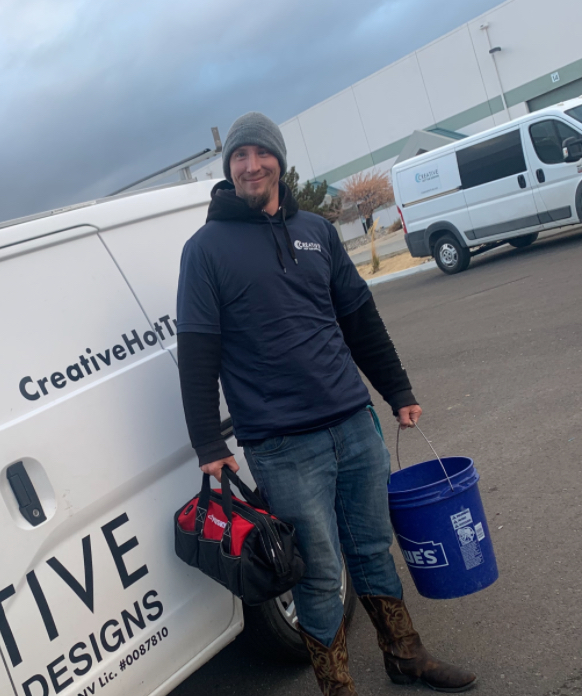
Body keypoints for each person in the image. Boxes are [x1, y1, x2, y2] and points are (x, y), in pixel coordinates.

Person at [176, 111, 476, 695]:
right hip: (282, 444)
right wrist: (208, 441)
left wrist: (398, 390)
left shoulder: (315, 229)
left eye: (261, 154)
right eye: (240, 156)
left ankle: (404, 655)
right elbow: (198, 352)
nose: (251, 164)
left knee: (370, 547)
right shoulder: (205, 250)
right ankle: (337, 687)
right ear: (228, 168)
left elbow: (359, 317)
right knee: (315, 573)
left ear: (279, 162)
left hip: (353, 421)